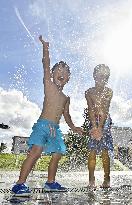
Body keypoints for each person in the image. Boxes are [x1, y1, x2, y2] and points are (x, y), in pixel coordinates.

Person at [12, 35, 83, 196]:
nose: (61, 72)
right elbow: (46, 64)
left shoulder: (66, 98)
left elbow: (66, 115)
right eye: (58, 70)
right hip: (43, 125)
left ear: (68, 78)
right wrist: (45, 47)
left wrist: (73, 127)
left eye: (65, 71)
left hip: (55, 129)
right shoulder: (48, 85)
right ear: (51, 74)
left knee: (57, 154)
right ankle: (19, 183)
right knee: (36, 152)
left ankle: (50, 183)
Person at [85, 64, 113, 188]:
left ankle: (107, 179)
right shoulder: (89, 92)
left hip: (105, 119)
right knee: (92, 149)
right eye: (99, 75)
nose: (102, 78)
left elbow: (105, 110)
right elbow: (90, 109)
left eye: (105, 76)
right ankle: (91, 179)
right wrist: (94, 127)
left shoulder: (109, 91)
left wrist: (100, 127)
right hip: (93, 119)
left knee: (105, 150)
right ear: (94, 76)